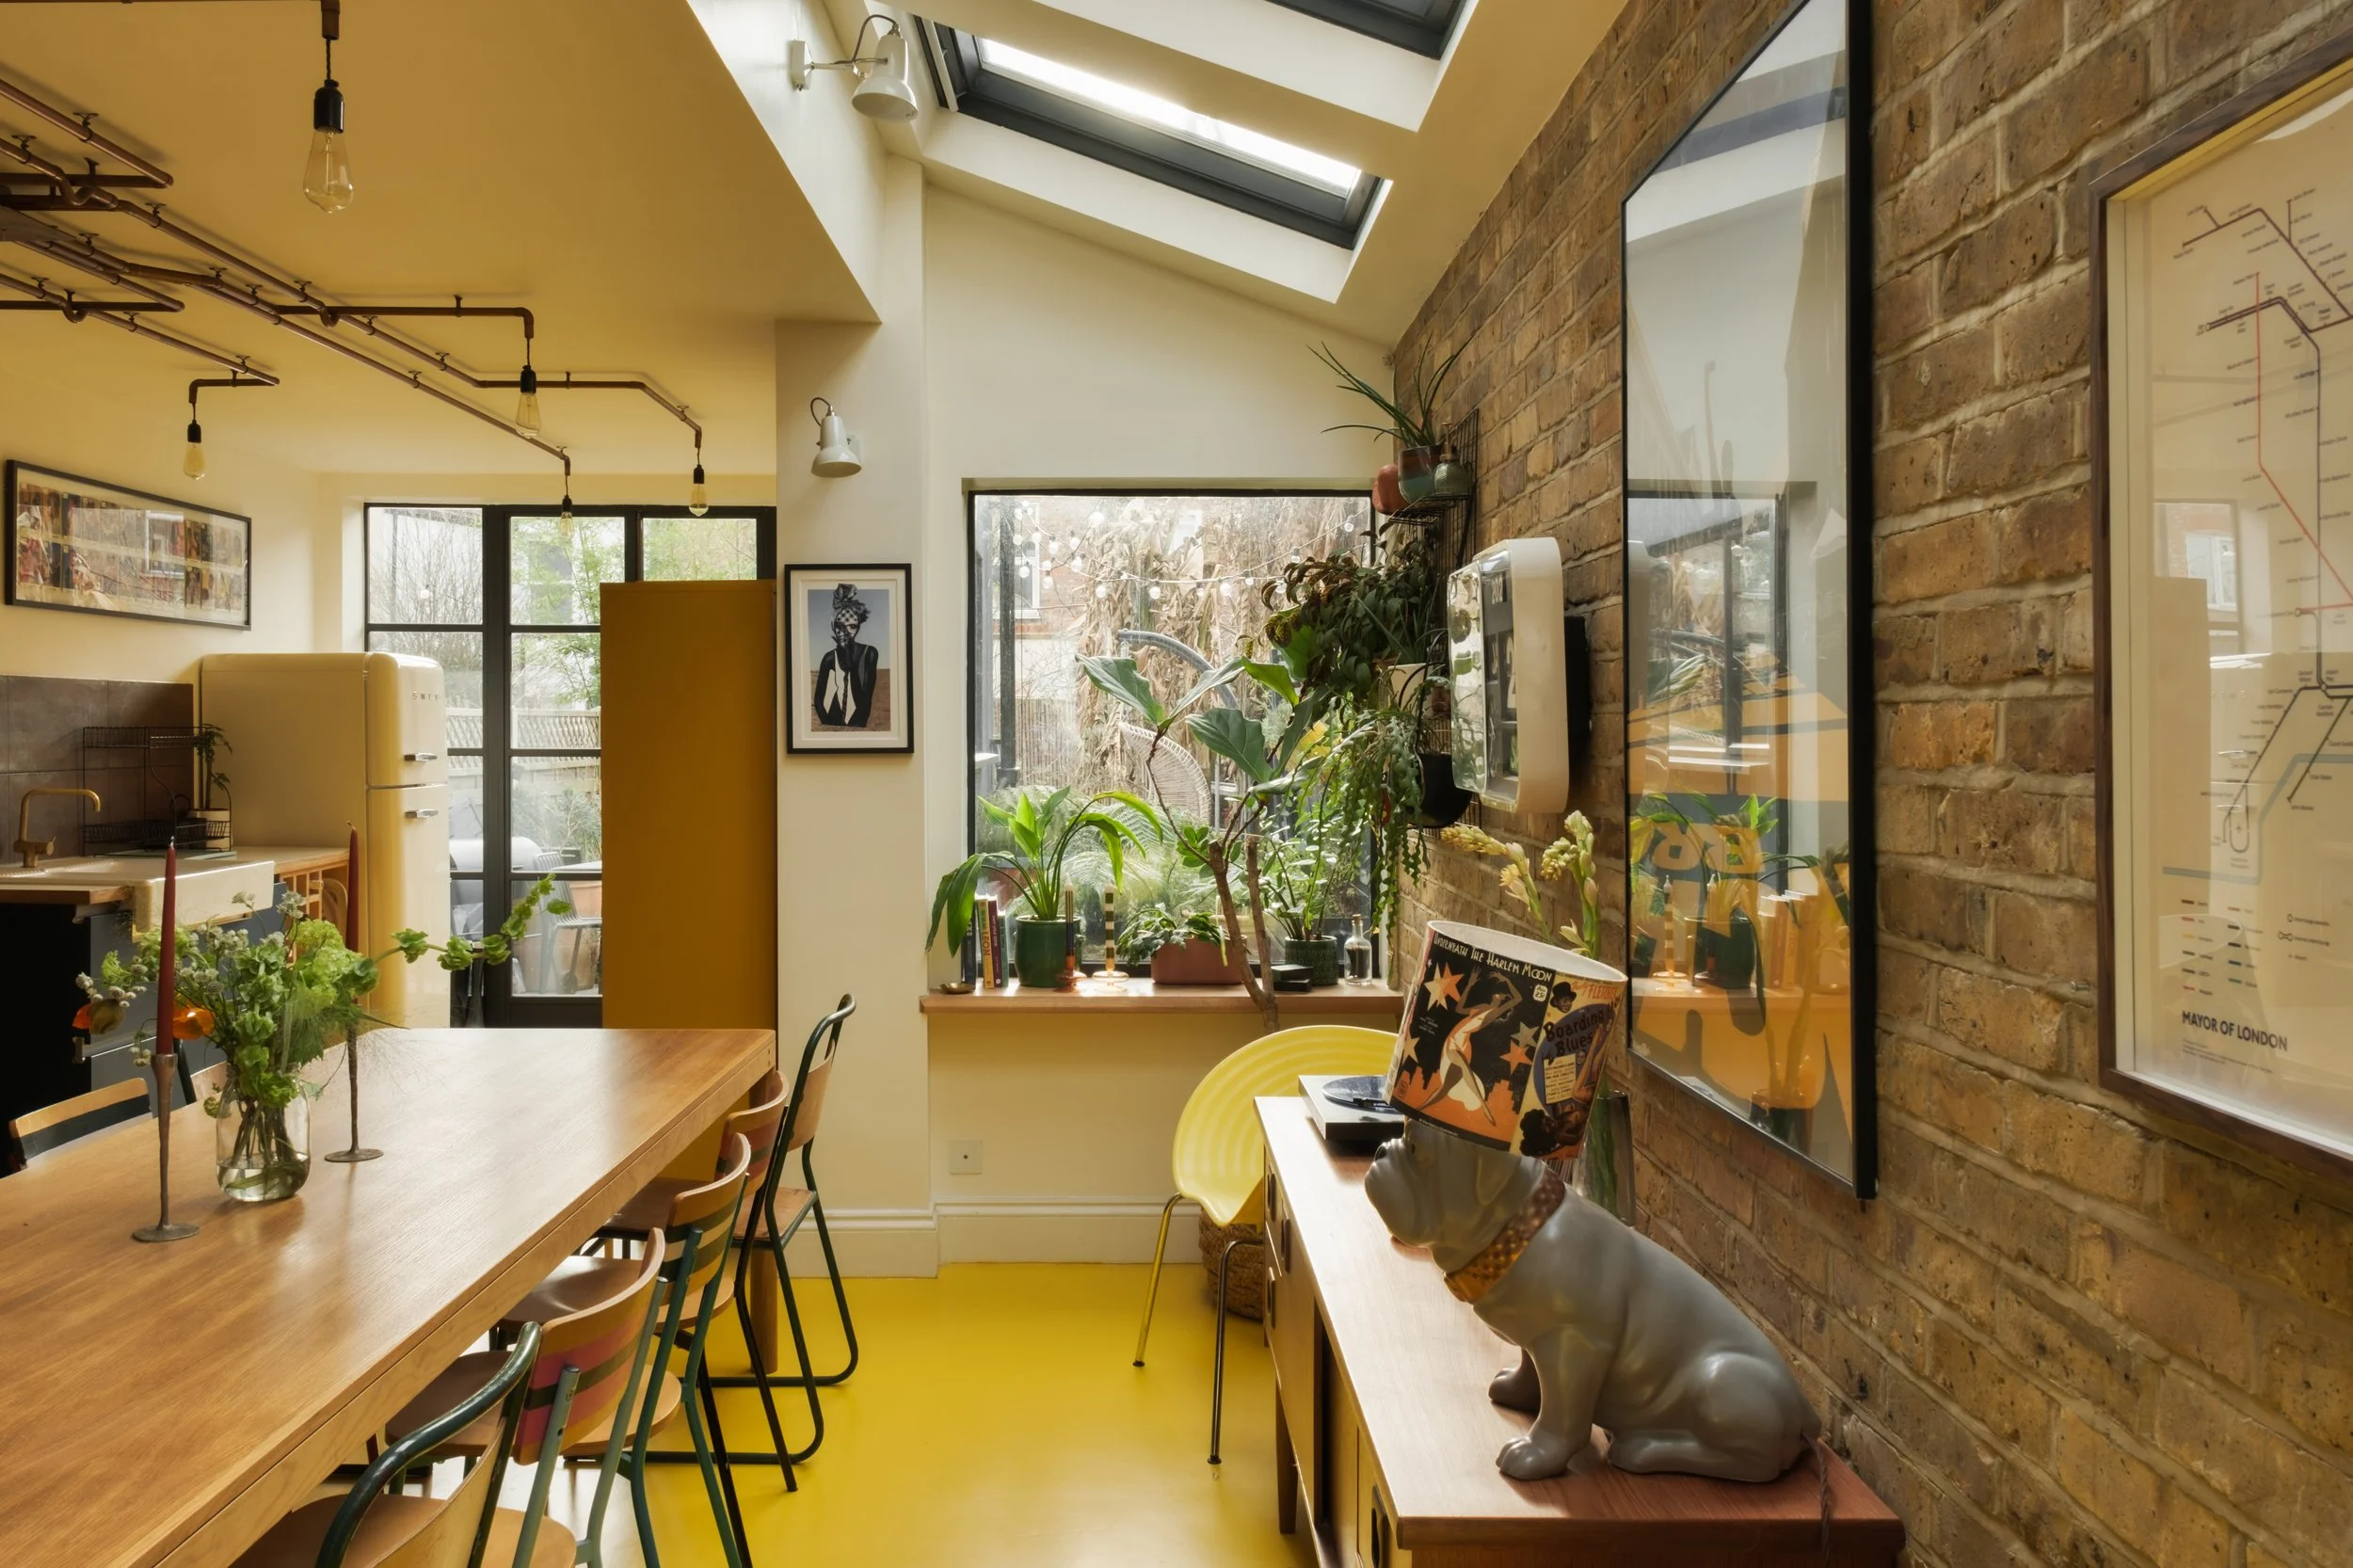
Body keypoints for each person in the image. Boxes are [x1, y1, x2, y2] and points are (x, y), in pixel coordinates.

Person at [815, 581, 879, 728]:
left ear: (858, 627)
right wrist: (829, 724)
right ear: (833, 627)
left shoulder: (869, 654)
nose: (845, 632)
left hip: (857, 724)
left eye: (852, 626)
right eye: (840, 626)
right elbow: (819, 700)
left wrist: (852, 667)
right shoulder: (829, 658)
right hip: (834, 720)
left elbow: (865, 700)